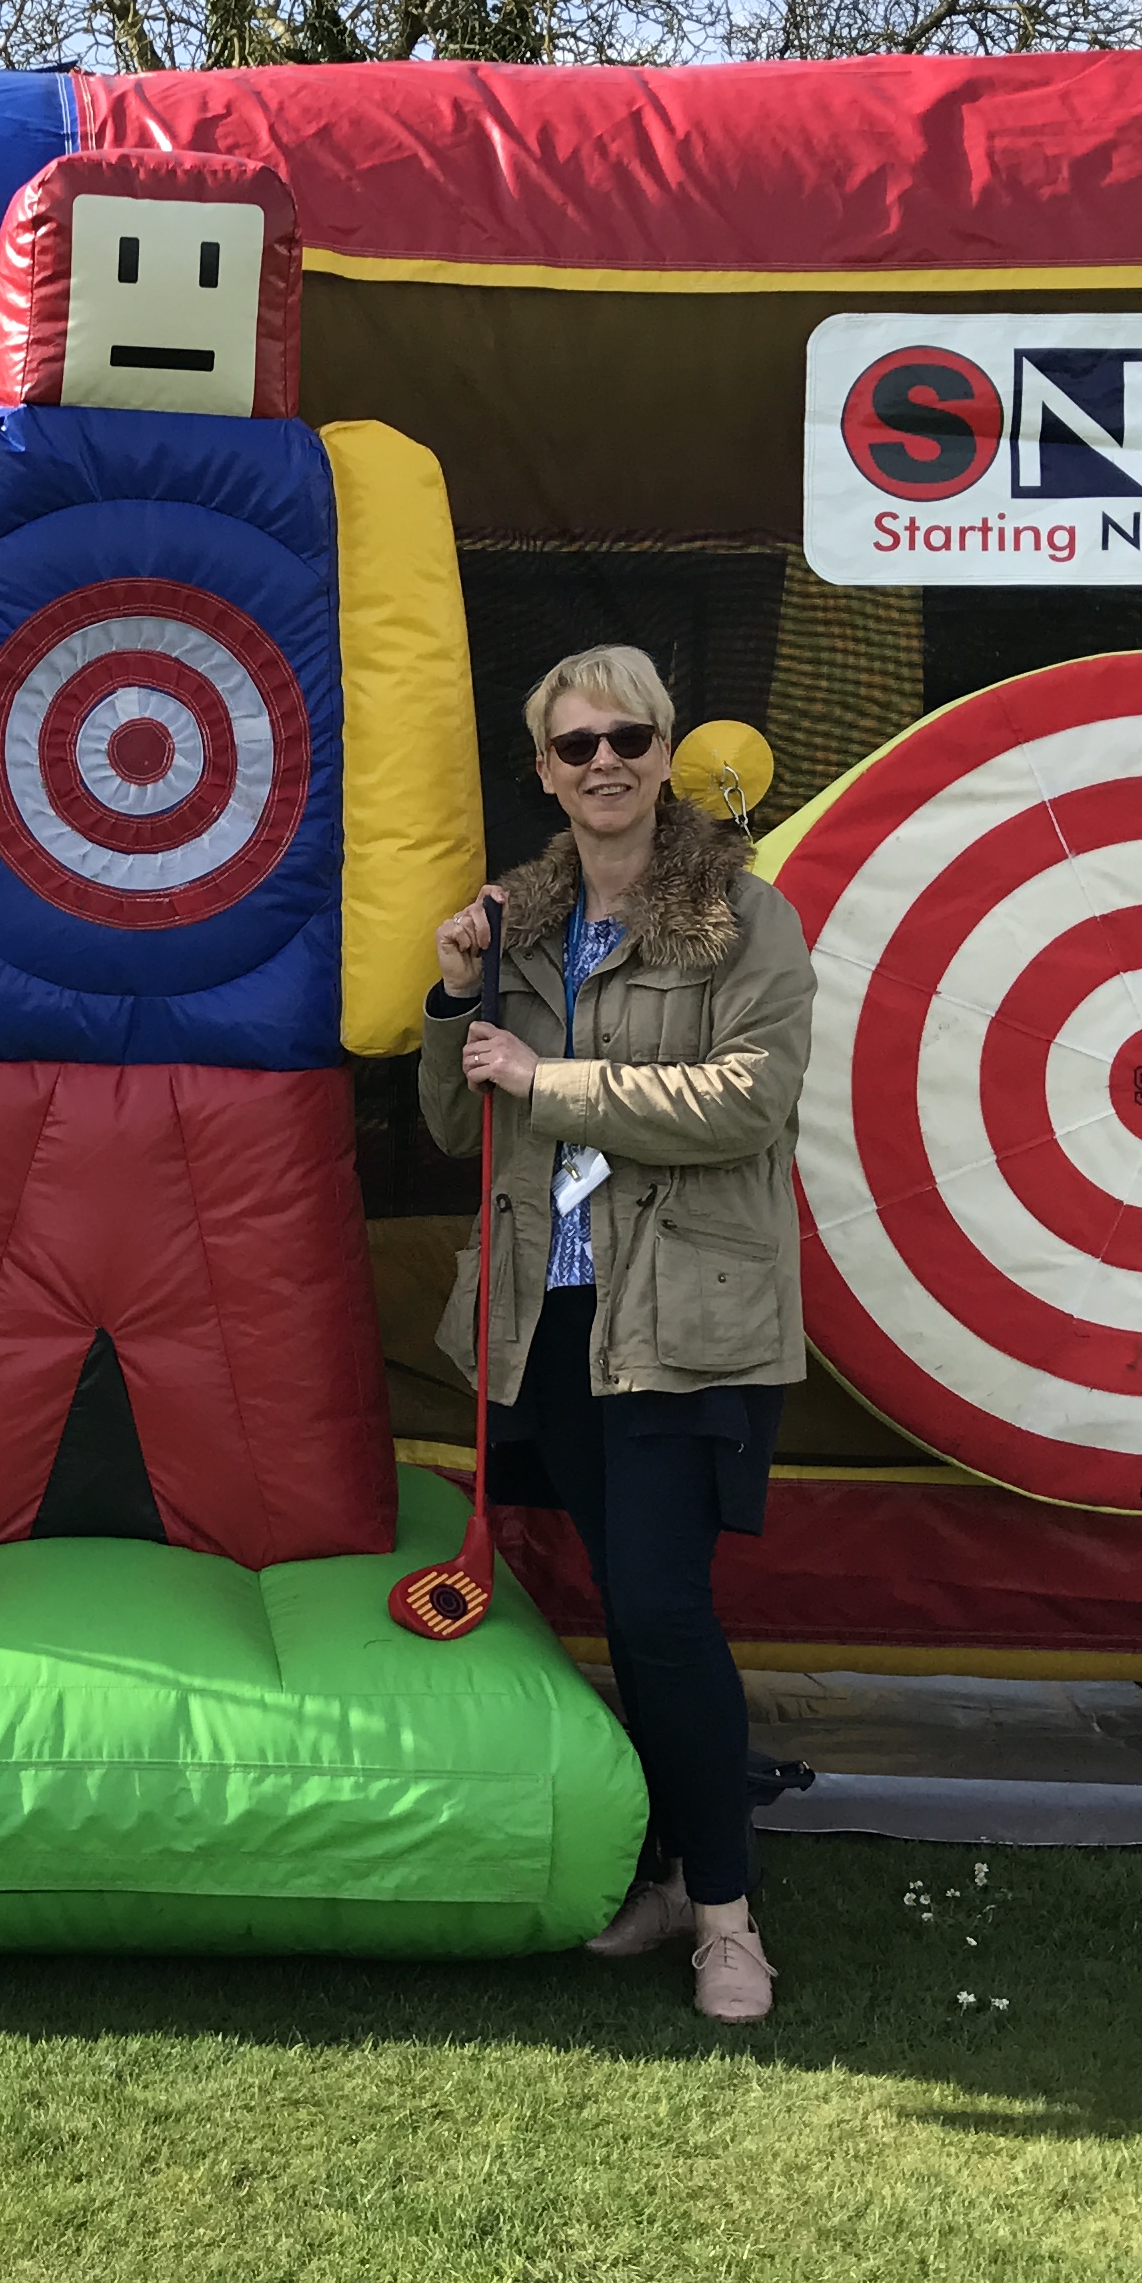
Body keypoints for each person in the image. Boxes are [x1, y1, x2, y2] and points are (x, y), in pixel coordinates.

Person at [418, 645, 813, 2021]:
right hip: (558, 1314)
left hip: (686, 1321)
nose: (605, 764)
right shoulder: (519, 930)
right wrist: (453, 998)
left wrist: (555, 1076)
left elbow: (748, 1102)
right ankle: (662, 1875)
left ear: (663, 754)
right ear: (543, 768)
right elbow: (460, 1125)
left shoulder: (742, 919)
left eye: (628, 739)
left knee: (661, 1609)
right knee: (632, 1621)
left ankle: (725, 1916)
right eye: (576, 744)